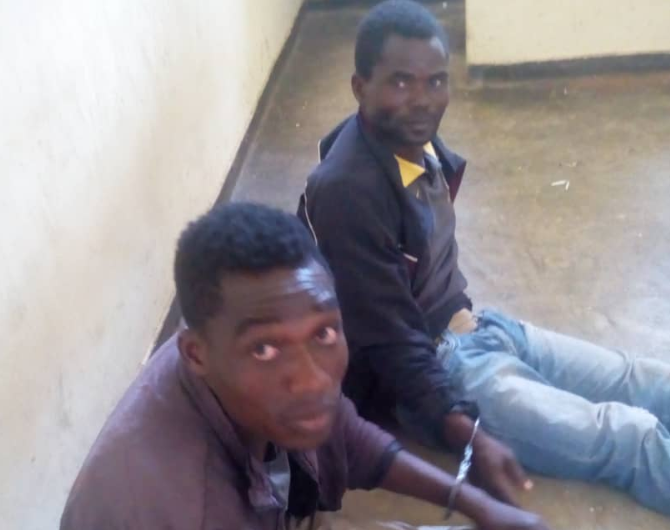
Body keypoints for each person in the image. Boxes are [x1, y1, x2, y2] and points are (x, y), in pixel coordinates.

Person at [297, 0, 670, 517]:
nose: (423, 100)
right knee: (631, 438)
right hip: (441, 370)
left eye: (436, 81)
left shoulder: (410, 140)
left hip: (482, 327)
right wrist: (467, 429)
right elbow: (389, 341)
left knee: (646, 379)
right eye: (401, 82)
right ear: (360, 87)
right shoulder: (347, 193)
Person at [60, 203, 549, 530]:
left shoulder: (222, 344)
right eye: (265, 350)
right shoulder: (172, 506)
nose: (314, 379)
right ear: (196, 354)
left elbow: (348, 436)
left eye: (324, 333)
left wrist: (474, 502)